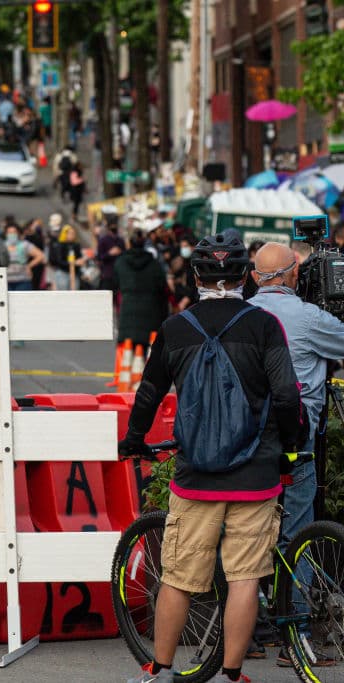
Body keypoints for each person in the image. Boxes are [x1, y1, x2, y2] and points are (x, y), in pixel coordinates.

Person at [119, 234, 307, 683]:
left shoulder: (175, 329)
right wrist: (289, 452)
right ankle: (230, 675)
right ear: (245, 276)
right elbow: (286, 396)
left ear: (196, 277)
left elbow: (148, 393)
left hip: (196, 477)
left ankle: (161, 672)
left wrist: (134, 439)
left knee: (181, 576)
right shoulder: (264, 326)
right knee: (244, 577)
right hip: (256, 475)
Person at [249, 241, 344, 665]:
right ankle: (297, 636)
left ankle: (245, 630)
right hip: (295, 437)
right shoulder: (308, 316)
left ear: (254, 277)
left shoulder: (242, 315)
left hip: (245, 438)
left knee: (244, 529)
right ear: (292, 275)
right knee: (298, 532)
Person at [114, 230, 168, 349]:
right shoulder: (154, 264)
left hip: (127, 313)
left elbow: (114, 286)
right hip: (150, 314)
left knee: (127, 354)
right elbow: (163, 290)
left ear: (129, 243)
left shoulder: (120, 262)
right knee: (147, 354)